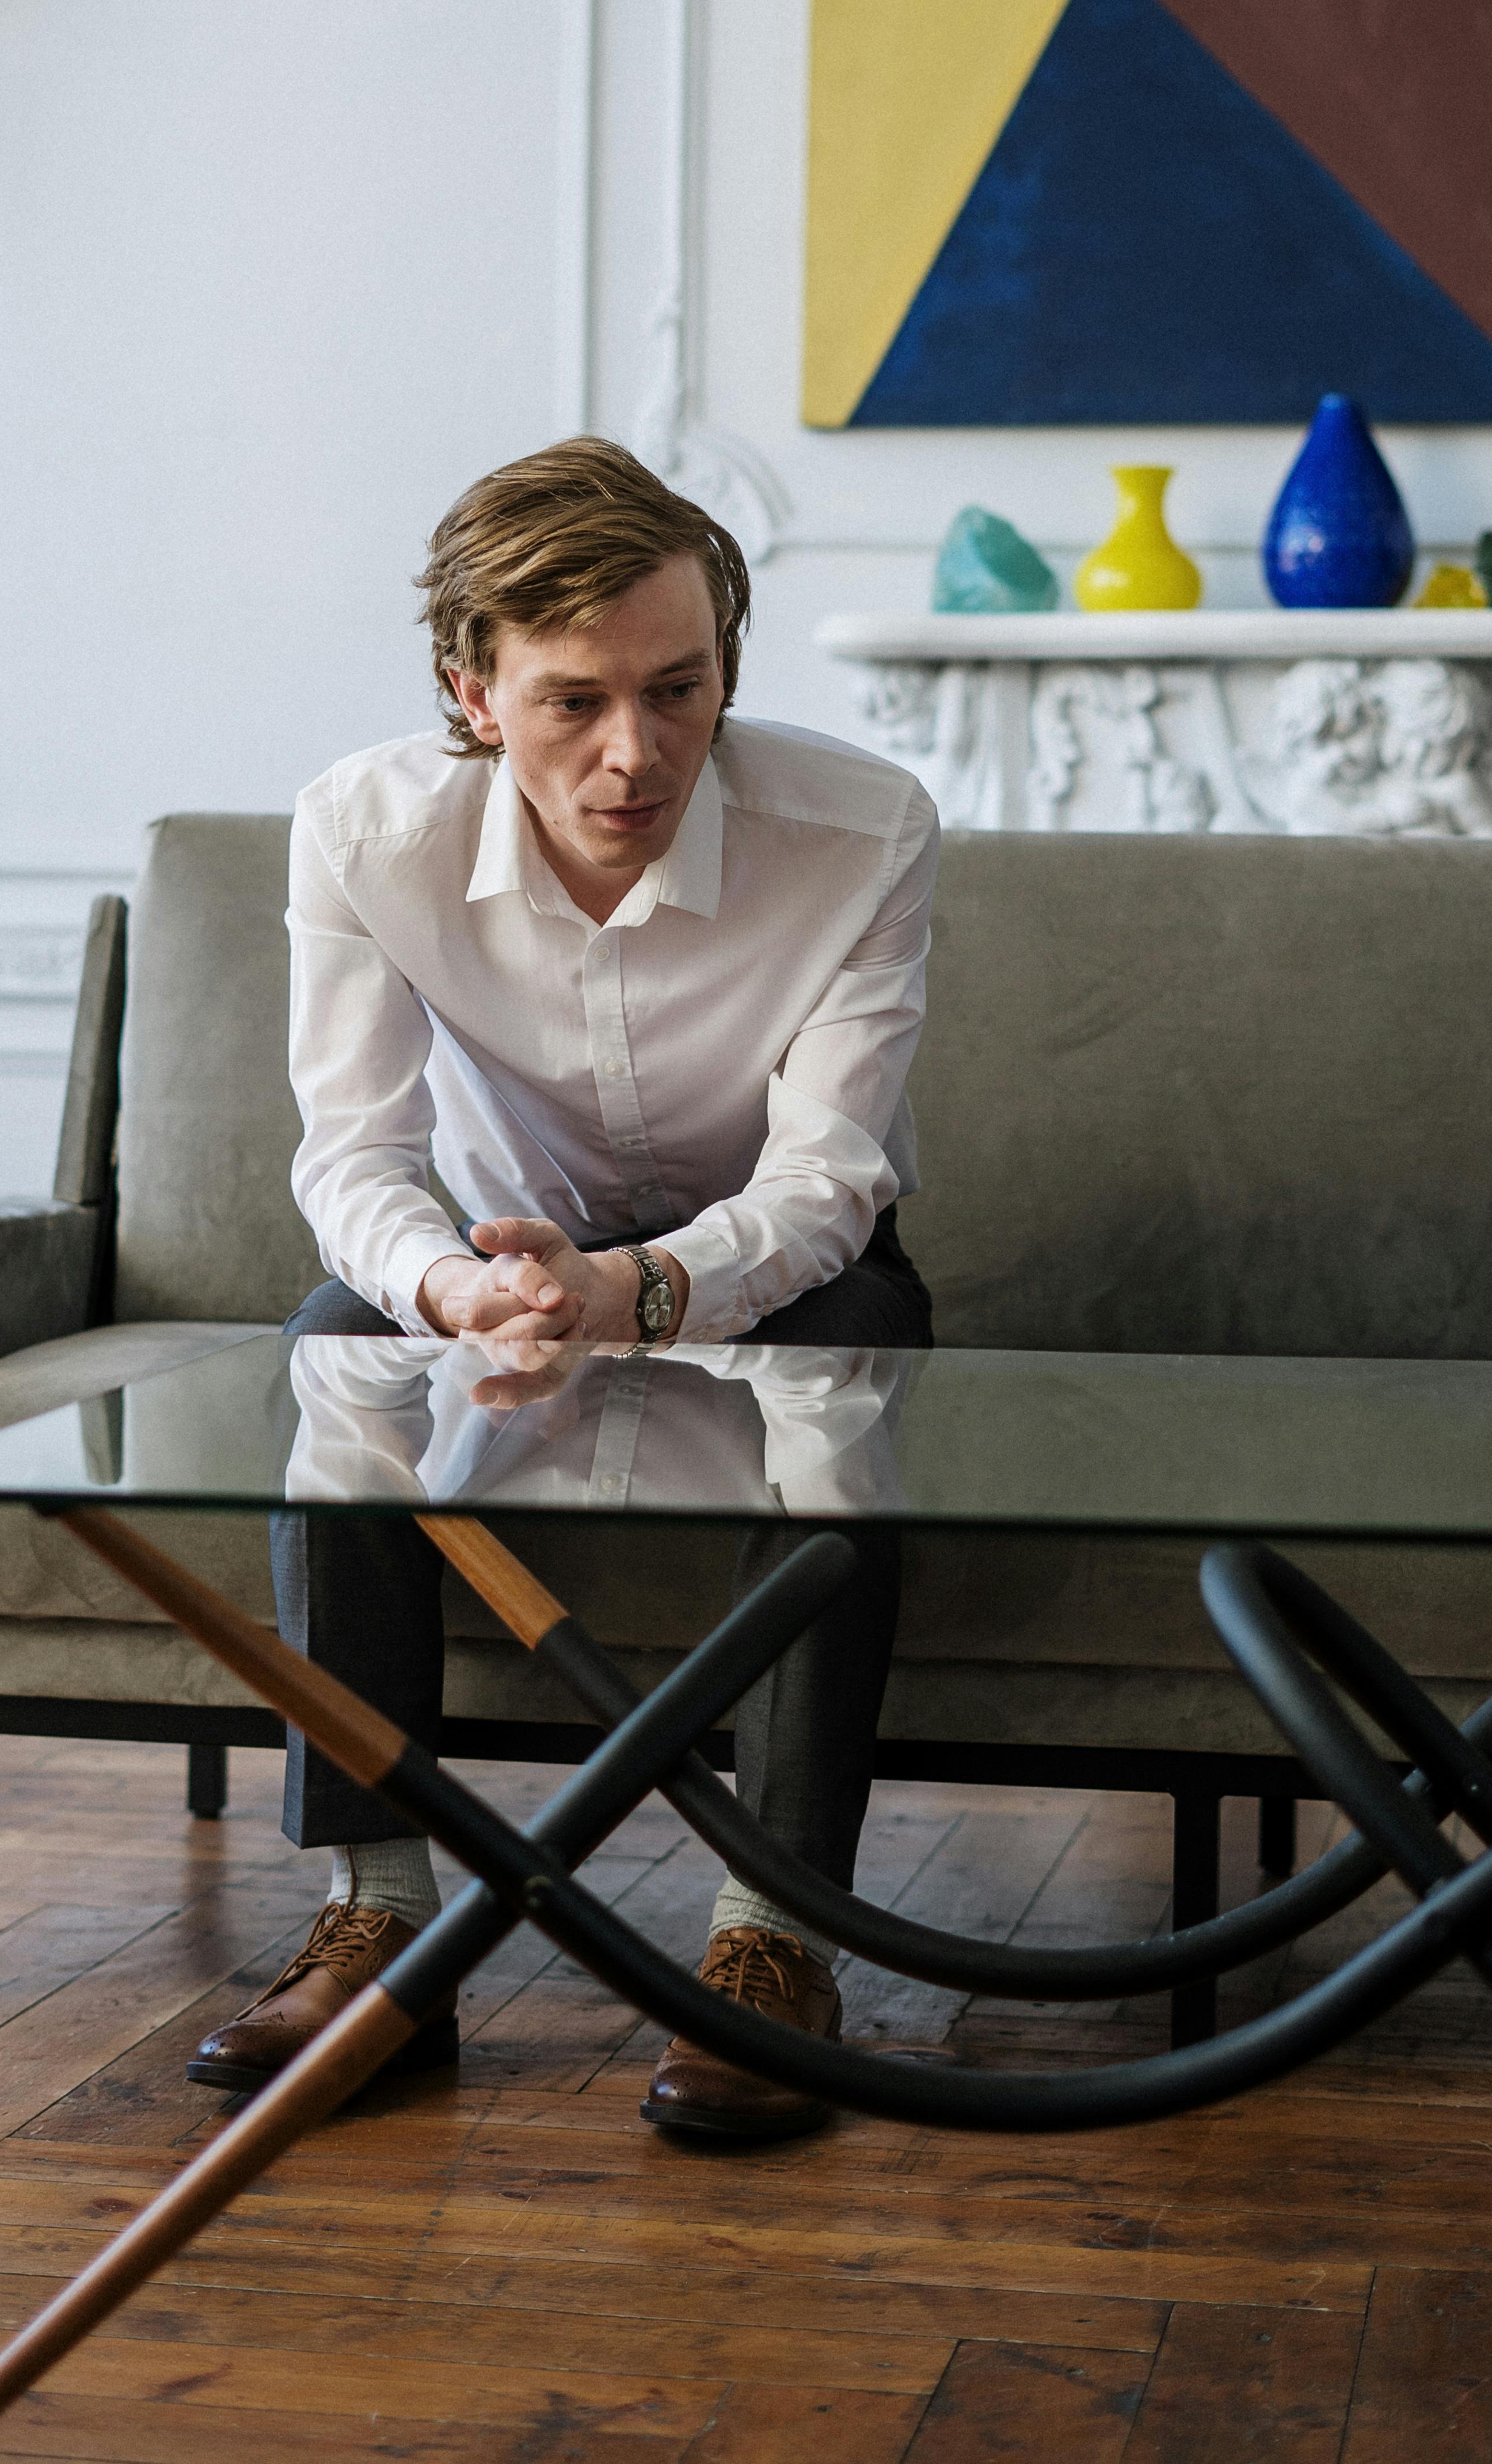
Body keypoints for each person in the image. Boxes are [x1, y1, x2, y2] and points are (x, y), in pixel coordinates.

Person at [186, 436, 938, 2139]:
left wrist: (637, 1294)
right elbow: (352, 1162)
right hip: (493, 1270)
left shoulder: (866, 831)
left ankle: (774, 1941)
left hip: (781, 1272)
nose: (636, 752)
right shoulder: (359, 834)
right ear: (473, 692)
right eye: (574, 701)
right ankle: (381, 1915)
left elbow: (829, 1184)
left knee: (862, 1361)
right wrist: (454, 1293)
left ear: (728, 666)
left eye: (682, 690)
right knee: (337, 1357)